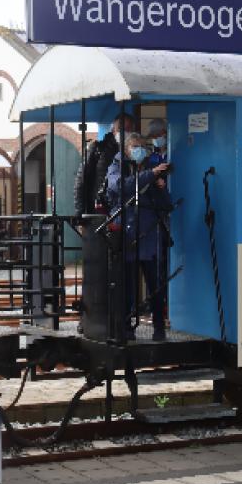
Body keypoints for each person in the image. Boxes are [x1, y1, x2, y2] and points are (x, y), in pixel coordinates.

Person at [105, 135, 171, 341]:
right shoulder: (116, 167)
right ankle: (126, 327)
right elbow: (120, 188)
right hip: (128, 234)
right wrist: (150, 175)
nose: (139, 150)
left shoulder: (150, 170)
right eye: (135, 146)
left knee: (155, 285)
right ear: (125, 149)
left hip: (149, 234)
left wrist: (160, 188)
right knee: (128, 286)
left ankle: (159, 328)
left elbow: (165, 204)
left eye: (143, 146)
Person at [72, 112, 136, 219]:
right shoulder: (98, 149)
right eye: (120, 129)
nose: (125, 132)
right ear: (113, 130)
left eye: (128, 129)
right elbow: (81, 182)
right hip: (100, 212)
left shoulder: (136, 152)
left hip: (128, 213)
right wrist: (80, 214)